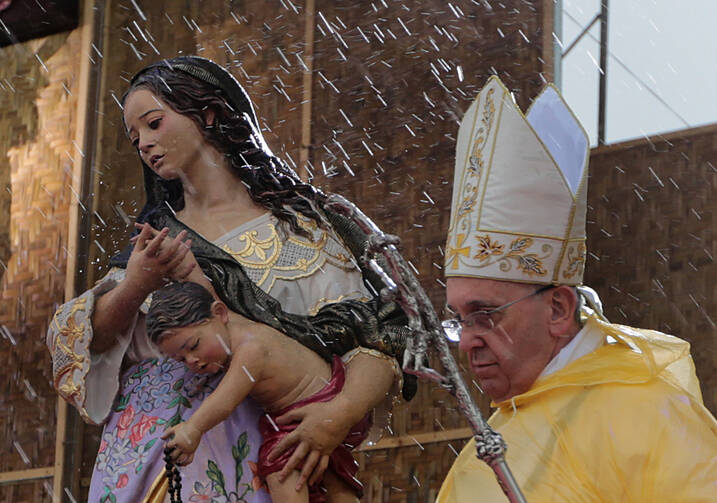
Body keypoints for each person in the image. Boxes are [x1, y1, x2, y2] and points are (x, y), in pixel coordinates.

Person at [47, 56, 414, 503]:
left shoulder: (304, 230)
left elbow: (378, 338)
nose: (144, 143)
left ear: (209, 114)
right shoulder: (156, 241)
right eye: (135, 136)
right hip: (149, 461)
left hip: (259, 451)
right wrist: (137, 284)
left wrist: (337, 416)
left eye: (154, 123)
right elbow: (91, 341)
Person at [436, 76, 717, 502]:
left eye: (484, 315)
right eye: (458, 320)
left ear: (558, 309)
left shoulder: (643, 414)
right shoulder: (499, 433)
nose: (468, 341)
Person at [147, 280, 370, 502]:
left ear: (220, 313)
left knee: (278, 468)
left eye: (194, 345)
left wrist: (193, 429)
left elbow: (225, 400)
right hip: (317, 401)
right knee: (333, 480)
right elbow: (202, 283)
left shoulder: (251, 348)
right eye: (181, 359)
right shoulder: (230, 330)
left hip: (320, 405)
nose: (192, 361)